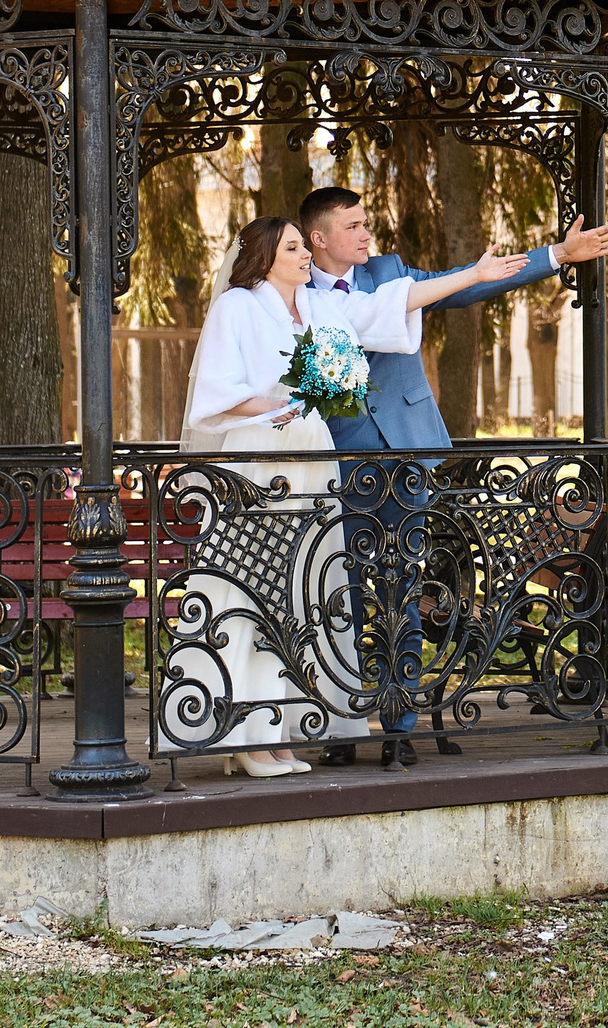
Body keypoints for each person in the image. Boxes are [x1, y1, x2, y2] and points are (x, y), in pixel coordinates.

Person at [176, 214, 525, 778]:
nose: (304, 256)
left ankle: (279, 731)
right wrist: (281, 404)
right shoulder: (236, 307)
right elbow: (217, 392)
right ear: (264, 258)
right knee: (253, 589)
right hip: (260, 461)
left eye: (302, 246)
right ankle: (237, 732)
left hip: (312, 457)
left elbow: (393, 302)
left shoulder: (319, 306)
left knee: (298, 594)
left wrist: (473, 276)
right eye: (293, 248)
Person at [296, 184, 608, 767]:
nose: (367, 233)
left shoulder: (389, 272)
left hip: (407, 456)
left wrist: (557, 254)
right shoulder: (293, 289)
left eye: (366, 223)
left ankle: (399, 724)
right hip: (338, 461)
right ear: (318, 238)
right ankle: (344, 725)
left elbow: (467, 281)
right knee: (339, 594)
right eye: (353, 226)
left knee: (401, 589)